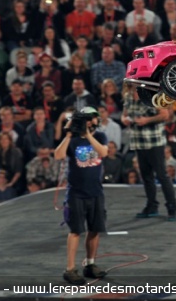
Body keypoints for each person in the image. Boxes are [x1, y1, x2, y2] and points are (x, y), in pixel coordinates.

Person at [54, 106, 108, 285]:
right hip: (76, 193)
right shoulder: (73, 140)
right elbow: (58, 155)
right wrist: (69, 134)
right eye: (89, 118)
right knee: (75, 231)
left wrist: (88, 134)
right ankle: (70, 269)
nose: (92, 121)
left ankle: (90, 264)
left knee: (94, 230)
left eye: (93, 118)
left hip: (95, 192)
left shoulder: (99, 137)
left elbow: (103, 152)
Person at [121, 86, 176, 220]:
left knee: (162, 175)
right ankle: (152, 206)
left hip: (154, 141)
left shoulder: (152, 95)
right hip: (139, 141)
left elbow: (165, 114)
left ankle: (172, 207)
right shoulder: (128, 97)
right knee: (146, 176)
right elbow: (124, 114)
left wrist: (147, 120)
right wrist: (124, 119)